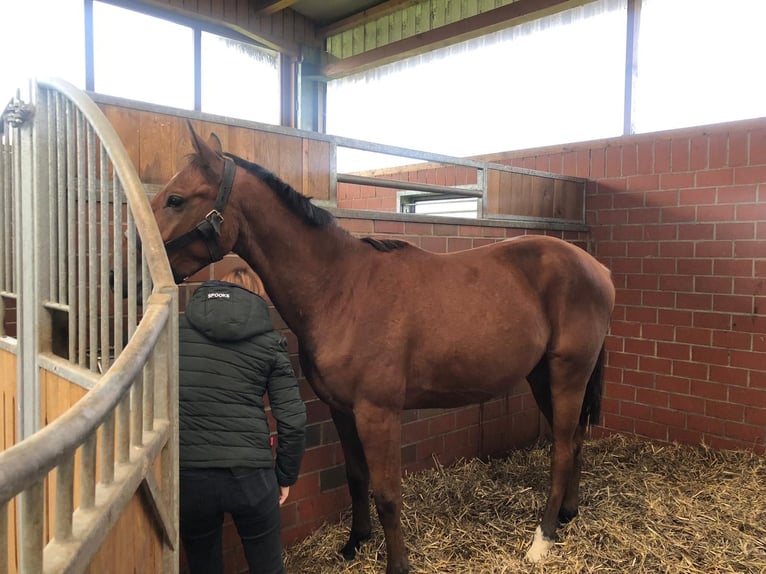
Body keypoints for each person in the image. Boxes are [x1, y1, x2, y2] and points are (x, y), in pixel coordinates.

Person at [178, 265, 306, 574]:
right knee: (267, 567)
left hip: (189, 476)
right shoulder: (270, 343)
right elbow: (293, 420)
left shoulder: (175, 333)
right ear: (257, 297)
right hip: (251, 476)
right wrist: (285, 476)